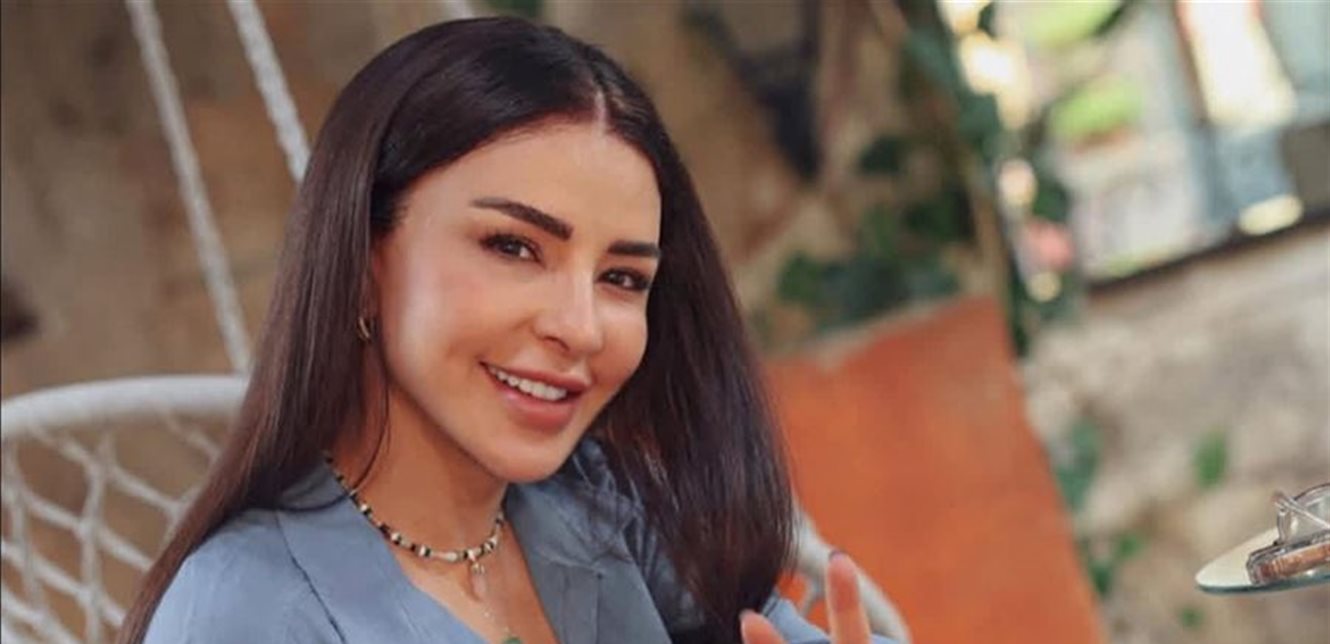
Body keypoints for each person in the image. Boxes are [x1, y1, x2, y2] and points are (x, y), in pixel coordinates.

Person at [120, 17, 893, 644]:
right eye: (514, 247)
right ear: (362, 263)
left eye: (623, 278)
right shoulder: (243, 615)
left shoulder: (602, 508)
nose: (580, 328)